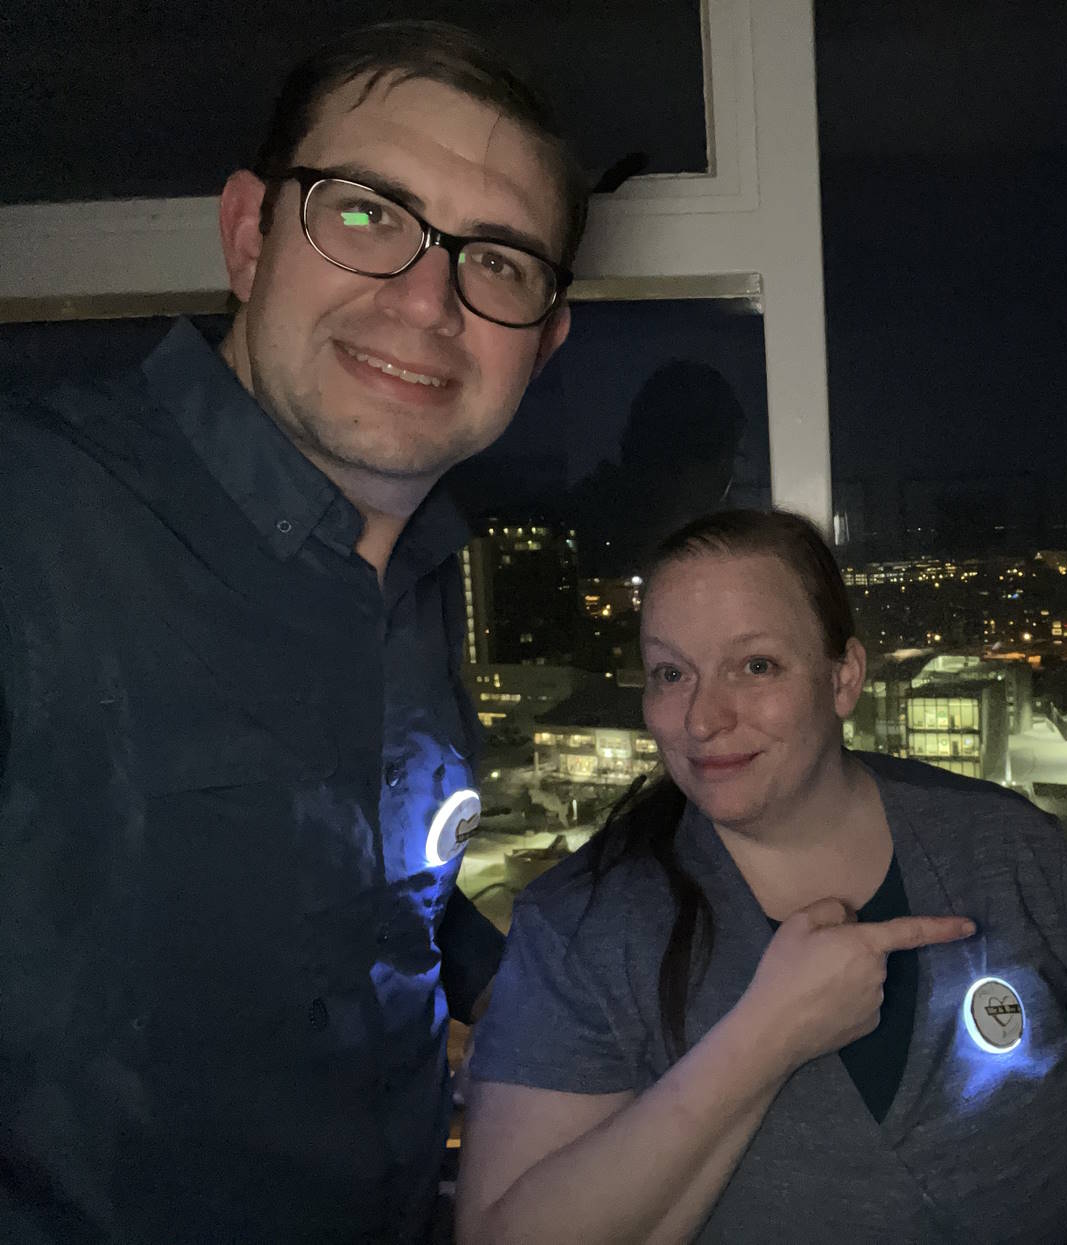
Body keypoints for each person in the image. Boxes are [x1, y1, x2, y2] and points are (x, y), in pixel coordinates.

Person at [0, 21, 587, 1243]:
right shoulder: (31, 521)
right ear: (250, 234)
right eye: (368, 215)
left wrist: (625, 983)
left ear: (543, 341)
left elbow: (379, 907)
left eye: (499, 262)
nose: (427, 301)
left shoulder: (429, 581)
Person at [456, 509, 1067, 1244]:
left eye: (756, 665)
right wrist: (767, 1035)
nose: (703, 717)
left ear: (844, 676)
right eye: (671, 672)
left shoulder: (1002, 846)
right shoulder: (584, 927)